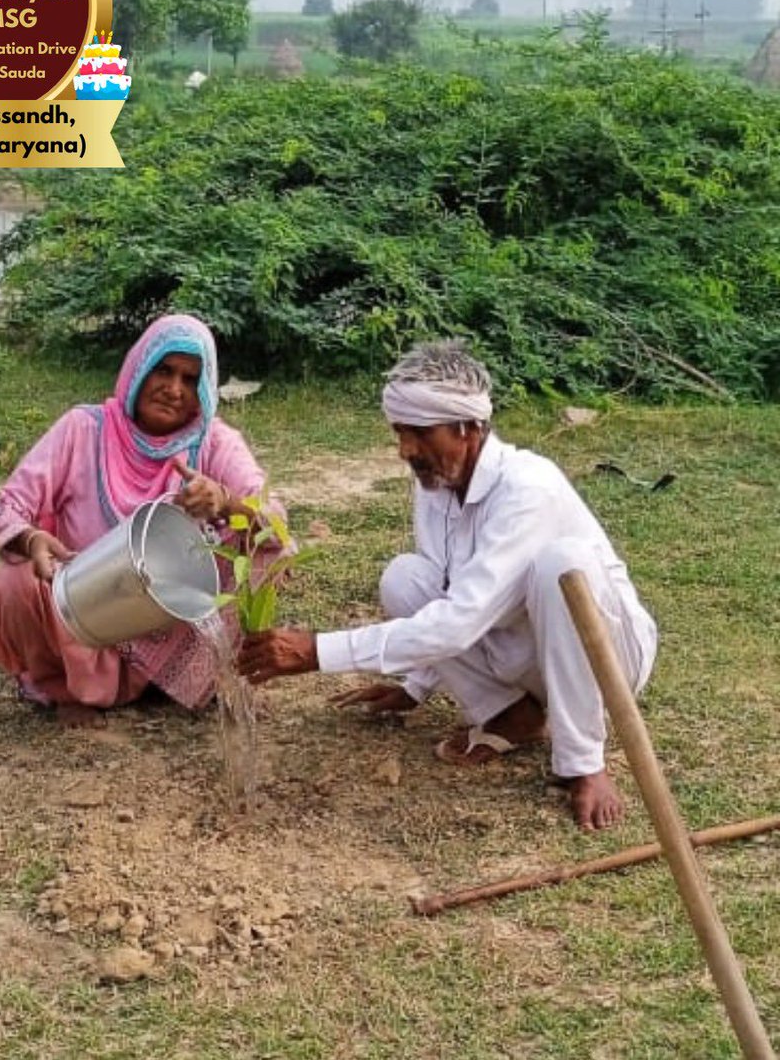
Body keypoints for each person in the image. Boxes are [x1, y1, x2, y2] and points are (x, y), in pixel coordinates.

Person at [237, 340, 657, 831]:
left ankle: (583, 762)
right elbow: (445, 593)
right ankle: (510, 715)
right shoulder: (434, 483)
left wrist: (317, 651)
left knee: (559, 566)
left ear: (469, 427)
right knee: (405, 577)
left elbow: (458, 623)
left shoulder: (528, 488)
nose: (405, 450)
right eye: (399, 433)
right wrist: (416, 685)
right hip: (526, 651)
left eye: (418, 433)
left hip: (607, 661)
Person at [0, 313, 283, 727]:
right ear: (139, 368)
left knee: (262, 551)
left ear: (205, 391)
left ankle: (175, 679)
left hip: (169, 621)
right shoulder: (83, 430)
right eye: (164, 370)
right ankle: (61, 687)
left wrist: (226, 501)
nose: (174, 390)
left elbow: (275, 520)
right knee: (11, 583)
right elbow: (2, 510)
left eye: (190, 380)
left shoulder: (213, 442)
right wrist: (31, 540)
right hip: (85, 606)